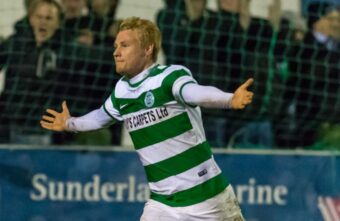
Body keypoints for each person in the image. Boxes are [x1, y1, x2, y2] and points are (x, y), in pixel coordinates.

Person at [40, 17, 253, 220]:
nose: (116, 52)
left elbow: (195, 93)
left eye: (124, 45)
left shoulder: (169, 76)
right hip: (163, 204)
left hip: (208, 199)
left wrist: (229, 99)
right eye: (115, 46)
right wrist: (70, 123)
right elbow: (100, 117)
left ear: (147, 48)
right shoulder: (122, 90)